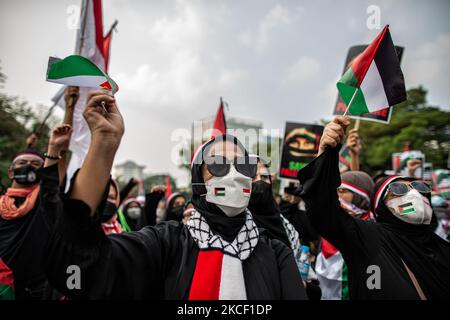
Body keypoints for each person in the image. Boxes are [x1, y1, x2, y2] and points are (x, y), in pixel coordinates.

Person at [44, 90, 307, 299]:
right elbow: (76, 270)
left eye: (244, 165)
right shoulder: (167, 243)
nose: (234, 173)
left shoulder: (275, 253)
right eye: (217, 164)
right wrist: (103, 144)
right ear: (198, 182)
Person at [298, 115, 450, 299]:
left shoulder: (442, 248)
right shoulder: (367, 238)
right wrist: (326, 154)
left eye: (419, 187)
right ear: (381, 206)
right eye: (399, 189)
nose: (413, 195)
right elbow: (323, 209)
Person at [0, 124, 72, 300]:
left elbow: (54, 180)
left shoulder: (45, 202)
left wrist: (54, 148)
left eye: (35, 164)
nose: (29, 166)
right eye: (22, 163)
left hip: (39, 292)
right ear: (11, 173)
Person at [315, 170, 374, 300]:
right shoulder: (329, 222)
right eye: (335, 191)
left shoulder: (374, 229)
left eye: (342, 191)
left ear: (360, 196)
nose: (337, 196)